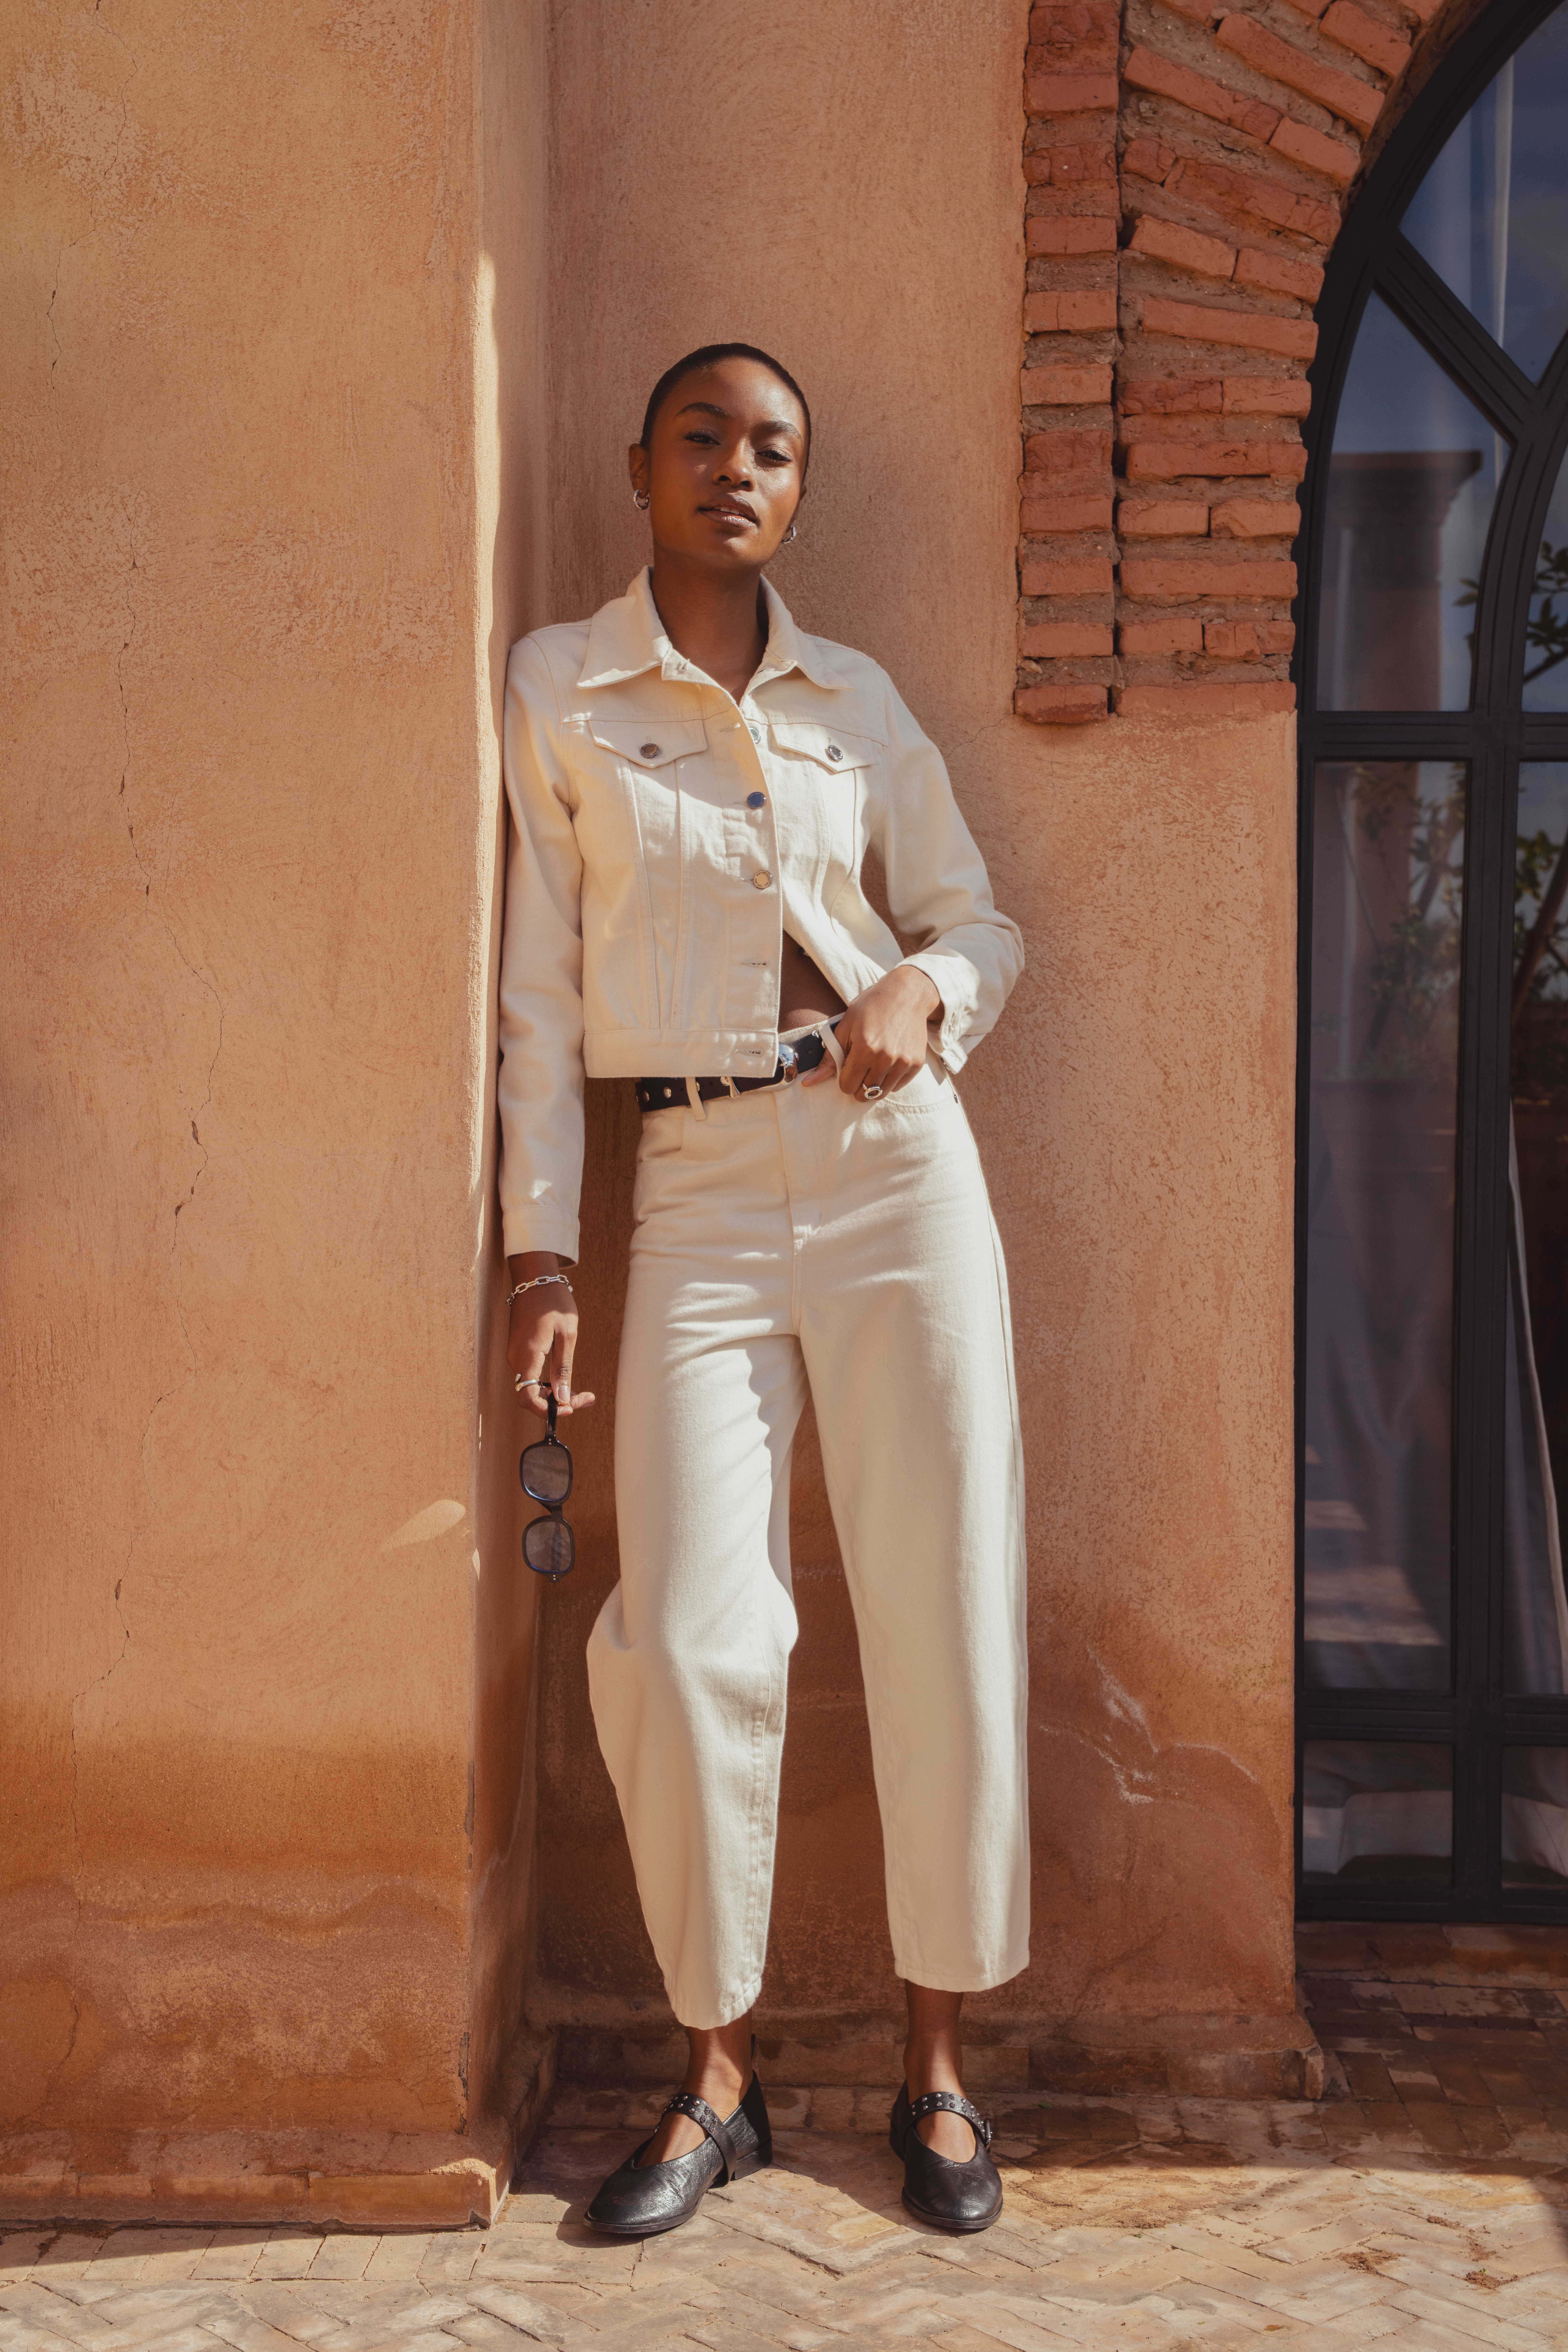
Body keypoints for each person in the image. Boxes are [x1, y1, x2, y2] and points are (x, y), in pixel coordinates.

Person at [497, 343, 1029, 2238]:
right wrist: (538, 1247)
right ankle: (718, 2079)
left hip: (902, 1175)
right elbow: (541, 994)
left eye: (774, 448)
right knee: (692, 1637)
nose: (738, 467)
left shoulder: (857, 697)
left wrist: (927, 993)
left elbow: (980, 916)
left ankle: (937, 2075)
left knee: (941, 1602)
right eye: (706, 436)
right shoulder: (560, 686)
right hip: (700, 1188)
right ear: (635, 461)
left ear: (802, 491)